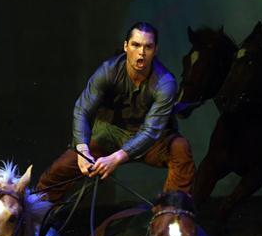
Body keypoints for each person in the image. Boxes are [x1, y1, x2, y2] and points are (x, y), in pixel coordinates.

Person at [36, 21, 195, 202]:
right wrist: (82, 151)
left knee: (180, 148)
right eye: (136, 45)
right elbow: (82, 110)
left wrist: (117, 158)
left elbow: (151, 131)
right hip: (108, 134)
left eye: (148, 47)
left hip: (151, 142)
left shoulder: (165, 83)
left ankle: (173, 213)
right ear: (126, 46)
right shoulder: (108, 71)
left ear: (155, 50)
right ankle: (36, 219)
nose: (141, 52)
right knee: (59, 170)